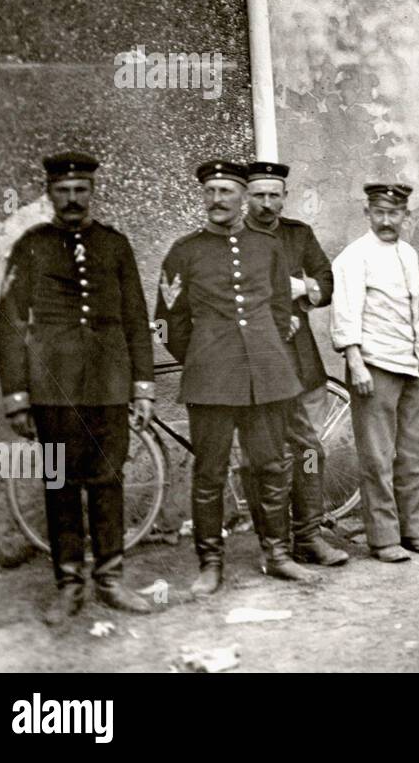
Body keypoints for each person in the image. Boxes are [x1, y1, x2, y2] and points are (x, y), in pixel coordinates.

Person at [0, 152, 155, 624]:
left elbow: (135, 320)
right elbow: (8, 323)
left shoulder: (115, 245)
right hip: (53, 386)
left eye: (80, 190)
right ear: (49, 194)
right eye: (63, 191)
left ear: (92, 192)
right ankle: (68, 584)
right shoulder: (31, 246)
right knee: (60, 485)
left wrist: (142, 386)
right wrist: (17, 395)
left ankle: (110, 579)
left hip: (109, 383)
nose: (72, 199)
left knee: (108, 482)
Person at [155, 160, 311, 595]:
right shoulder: (183, 252)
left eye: (226, 191)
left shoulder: (268, 247)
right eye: (211, 192)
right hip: (211, 381)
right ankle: (210, 564)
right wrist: (204, 356)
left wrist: (265, 350)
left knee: (271, 466)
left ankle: (277, 554)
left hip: (266, 375)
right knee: (209, 473)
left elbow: (281, 310)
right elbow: (168, 323)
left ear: (243, 197)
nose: (218, 200)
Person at [331, 181, 419, 560]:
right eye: (378, 212)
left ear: (405, 215)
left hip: (412, 366)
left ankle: (416, 532)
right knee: (378, 456)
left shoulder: (411, 255)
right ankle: (383, 539)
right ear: (367, 213)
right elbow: (345, 313)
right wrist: (355, 362)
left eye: (393, 213)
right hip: (374, 367)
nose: (385, 220)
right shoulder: (353, 257)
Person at [243, 161, 349, 567]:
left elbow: (327, 282)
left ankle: (309, 534)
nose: (267, 204)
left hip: (300, 361)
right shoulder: (236, 239)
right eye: (259, 195)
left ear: (284, 197)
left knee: (309, 450)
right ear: (246, 198)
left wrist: (301, 287)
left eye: (274, 195)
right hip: (254, 363)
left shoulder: (298, 234)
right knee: (260, 456)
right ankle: (271, 543)